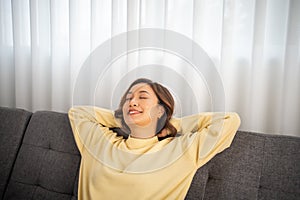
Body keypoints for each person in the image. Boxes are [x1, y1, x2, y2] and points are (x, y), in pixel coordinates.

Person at [68, 78, 240, 200]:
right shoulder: (99, 142)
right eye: (128, 99)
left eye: (142, 97)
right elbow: (77, 113)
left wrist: (169, 123)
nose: (132, 102)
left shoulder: (180, 151)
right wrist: (122, 117)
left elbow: (229, 121)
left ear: (160, 110)